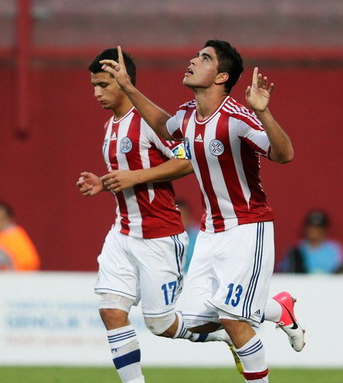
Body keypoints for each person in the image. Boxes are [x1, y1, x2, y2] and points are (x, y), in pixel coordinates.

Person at [100, 41, 303, 382]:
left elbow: (284, 155)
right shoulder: (188, 115)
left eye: (204, 58)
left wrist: (264, 112)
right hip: (211, 232)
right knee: (191, 321)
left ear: (221, 76)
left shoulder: (237, 118)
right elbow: (165, 126)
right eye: (197, 55)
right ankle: (276, 309)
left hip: (247, 227)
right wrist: (129, 88)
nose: (193, 60)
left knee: (233, 319)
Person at [77, 48, 238, 383]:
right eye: (94, 85)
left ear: (124, 82)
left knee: (161, 324)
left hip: (159, 236)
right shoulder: (110, 127)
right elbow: (128, 175)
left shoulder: (147, 122)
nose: (97, 92)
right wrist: (102, 184)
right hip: (122, 233)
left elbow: (188, 159)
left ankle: (224, 331)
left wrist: (134, 177)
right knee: (110, 310)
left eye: (104, 84)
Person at [279, 209, 343, 274]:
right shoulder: (295, 250)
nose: (314, 231)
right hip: (302, 287)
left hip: (330, 287)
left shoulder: (335, 249)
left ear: (325, 229)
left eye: (318, 227)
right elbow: (285, 273)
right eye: (311, 226)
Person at [0, 200, 40, 271]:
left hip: (18, 279)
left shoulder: (6, 239)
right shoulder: (17, 235)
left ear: (8, 219)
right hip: (27, 279)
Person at [175, 199, 201, 274]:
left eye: (184, 215)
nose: (182, 220)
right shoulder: (165, 238)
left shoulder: (200, 235)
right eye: (178, 216)